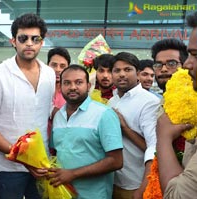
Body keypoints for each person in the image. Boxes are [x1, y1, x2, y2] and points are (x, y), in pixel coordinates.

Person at [0, 13, 55, 199]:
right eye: (23, 38)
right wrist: (22, 158)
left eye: (35, 39)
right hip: (8, 168)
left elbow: (47, 109)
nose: (29, 43)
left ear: (42, 43)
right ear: (13, 41)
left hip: (42, 164)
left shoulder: (49, 74)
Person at [48, 64, 123, 199]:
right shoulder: (59, 116)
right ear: (61, 87)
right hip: (62, 193)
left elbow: (116, 161)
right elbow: (57, 153)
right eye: (67, 83)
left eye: (79, 82)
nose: (72, 87)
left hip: (93, 195)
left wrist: (73, 174)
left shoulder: (104, 114)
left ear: (88, 86)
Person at [108, 52, 161, 199]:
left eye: (127, 69)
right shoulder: (112, 101)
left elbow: (154, 148)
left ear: (137, 73)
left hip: (135, 184)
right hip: (112, 181)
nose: (122, 74)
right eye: (117, 70)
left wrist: (125, 128)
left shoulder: (149, 102)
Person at [156, 11, 197, 198]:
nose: (188, 64)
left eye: (172, 63)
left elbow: (178, 194)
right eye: (158, 64)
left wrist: (164, 137)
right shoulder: (158, 105)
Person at [46, 47, 70, 142]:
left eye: (62, 66)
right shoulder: (39, 90)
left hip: (63, 144)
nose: (58, 69)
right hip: (40, 143)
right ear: (47, 65)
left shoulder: (72, 93)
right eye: (54, 65)